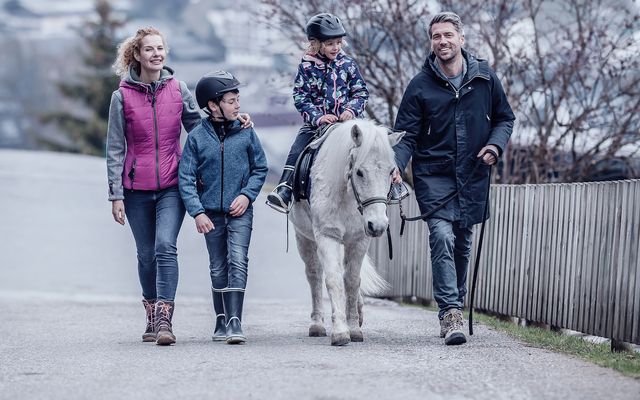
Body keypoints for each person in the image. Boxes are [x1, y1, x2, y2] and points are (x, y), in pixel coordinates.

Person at [106, 28, 252, 346]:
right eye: (149, 49)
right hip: (135, 189)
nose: (157, 54)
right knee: (145, 254)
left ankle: (164, 319)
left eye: (160, 48)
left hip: (172, 184)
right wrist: (115, 194)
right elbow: (115, 148)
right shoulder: (121, 97)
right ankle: (150, 309)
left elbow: (199, 128)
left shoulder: (178, 89)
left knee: (164, 247)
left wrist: (233, 120)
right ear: (137, 55)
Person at [392, 12, 515, 346]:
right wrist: (396, 164)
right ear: (431, 43)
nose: (442, 41)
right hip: (434, 174)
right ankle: (449, 312)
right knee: (442, 235)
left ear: (462, 39)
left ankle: (455, 304)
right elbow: (406, 136)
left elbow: (505, 118)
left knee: (462, 242)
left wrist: (495, 145)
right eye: (436, 37)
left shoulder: (485, 78)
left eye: (448, 35)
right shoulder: (420, 85)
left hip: (474, 174)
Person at [179, 71, 267, 345]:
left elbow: (260, 168)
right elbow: (186, 178)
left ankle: (235, 320)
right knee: (218, 265)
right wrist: (198, 211)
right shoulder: (196, 138)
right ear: (213, 105)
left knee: (238, 260)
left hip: (240, 211)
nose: (238, 105)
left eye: (238, 99)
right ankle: (220, 318)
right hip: (211, 214)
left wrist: (247, 195)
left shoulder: (246, 131)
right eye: (231, 100)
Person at [266, 12, 369, 213]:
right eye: (330, 43)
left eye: (339, 42)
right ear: (315, 43)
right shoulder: (306, 67)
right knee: (298, 147)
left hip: (350, 122)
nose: (336, 47)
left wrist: (351, 109)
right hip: (317, 124)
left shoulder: (348, 64)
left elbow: (361, 92)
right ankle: (285, 187)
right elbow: (300, 97)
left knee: (374, 144)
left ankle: (392, 184)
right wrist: (318, 117)